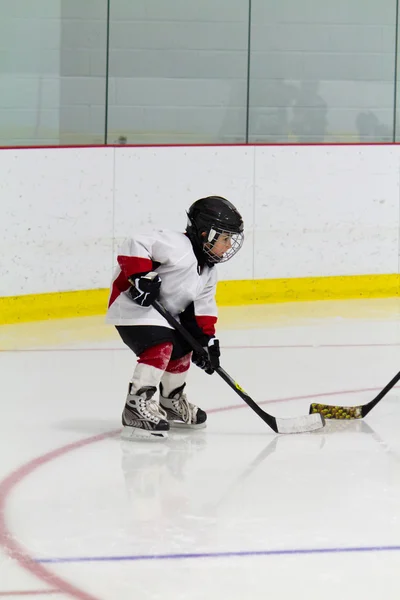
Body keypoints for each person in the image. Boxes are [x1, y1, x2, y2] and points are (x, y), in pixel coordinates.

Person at [106, 196, 244, 439]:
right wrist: (140, 276)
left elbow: (202, 308)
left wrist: (206, 342)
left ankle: (170, 402)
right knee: (161, 346)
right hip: (131, 307)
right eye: (224, 238)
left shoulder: (209, 272)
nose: (227, 245)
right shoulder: (176, 245)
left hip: (164, 315)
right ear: (204, 234)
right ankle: (135, 407)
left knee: (183, 348)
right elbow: (135, 243)